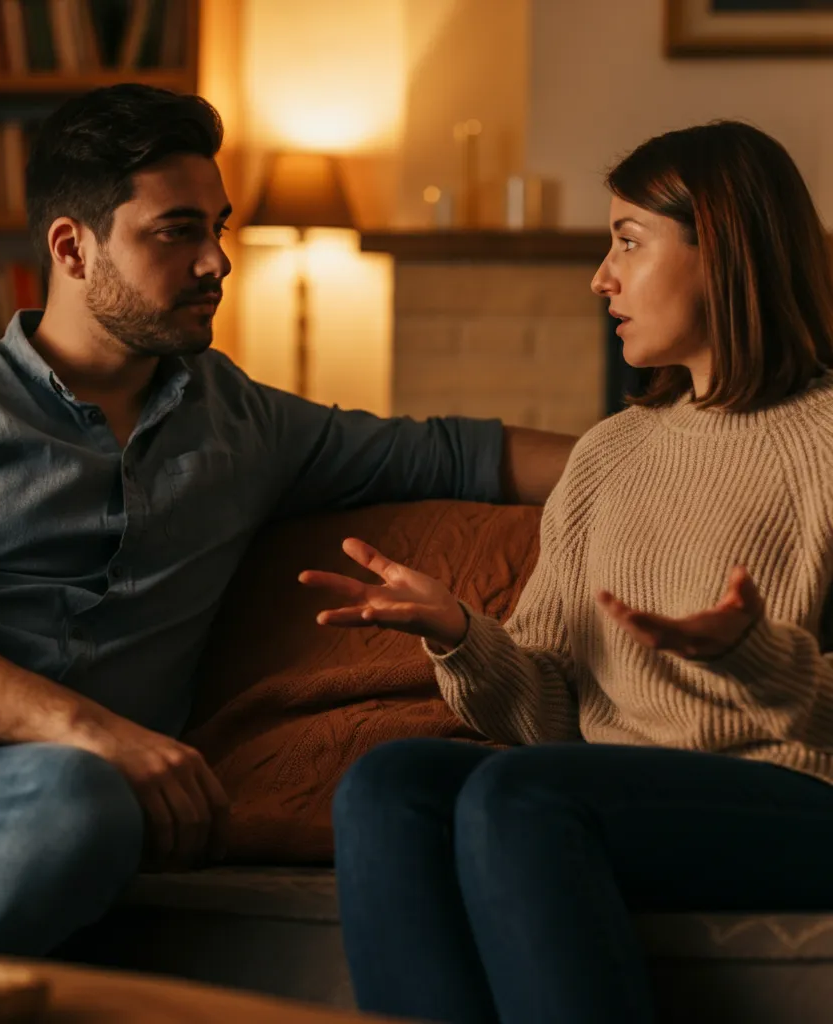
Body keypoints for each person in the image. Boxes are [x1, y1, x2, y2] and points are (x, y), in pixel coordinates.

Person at [0, 84, 574, 956]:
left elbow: (453, 452)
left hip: (30, 781)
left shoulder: (246, 425)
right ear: (72, 247)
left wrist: (678, 447)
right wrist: (99, 731)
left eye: (218, 226)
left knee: (86, 808)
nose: (217, 260)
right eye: (177, 231)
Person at [301, 120, 833, 1024]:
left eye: (628, 241)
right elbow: (550, 715)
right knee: (388, 785)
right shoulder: (607, 455)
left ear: (725, 248)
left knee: (524, 796)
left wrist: (752, 655)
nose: (601, 277)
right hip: (611, 791)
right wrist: (461, 635)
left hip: (802, 794)